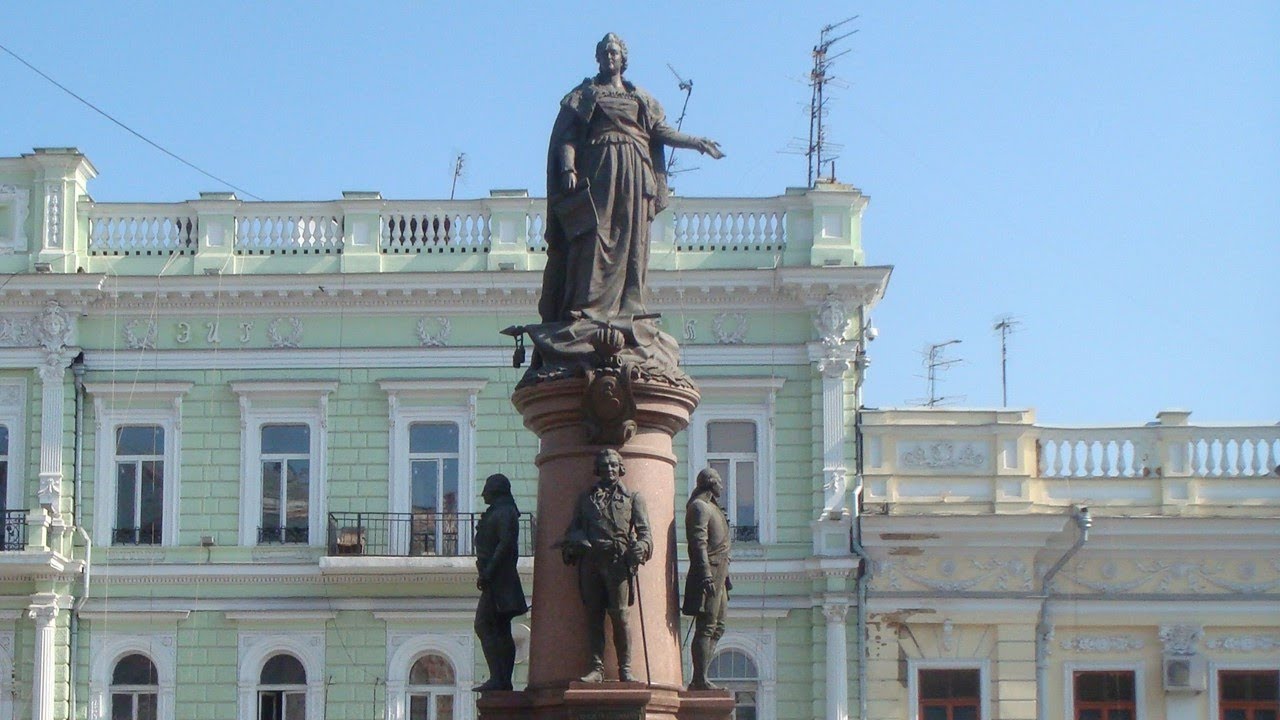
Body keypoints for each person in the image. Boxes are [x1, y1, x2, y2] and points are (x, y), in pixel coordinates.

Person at [539, 32, 724, 326]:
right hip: (599, 169)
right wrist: (568, 170)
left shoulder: (640, 97)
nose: (609, 57)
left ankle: (630, 304)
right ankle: (586, 307)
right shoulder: (585, 94)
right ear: (598, 58)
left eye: (614, 52)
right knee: (595, 234)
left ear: (623, 59)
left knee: (632, 235)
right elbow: (566, 138)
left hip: (635, 172)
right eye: (604, 53)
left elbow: (660, 131)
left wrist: (696, 143)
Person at [560, 449, 653, 682]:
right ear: (598, 469)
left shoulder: (633, 499)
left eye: (613, 465)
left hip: (618, 562)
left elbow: (646, 534)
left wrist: (641, 548)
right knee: (593, 616)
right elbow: (572, 530)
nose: (609, 470)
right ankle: (597, 668)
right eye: (604, 465)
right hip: (591, 562)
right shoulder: (586, 499)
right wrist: (574, 543)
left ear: (620, 469)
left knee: (620, 616)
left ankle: (625, 669)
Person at [472, 473, 529, 692]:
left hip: (500, 578)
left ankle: (500, 678)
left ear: (496, 490)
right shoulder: (500, 511)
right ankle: (501, 679)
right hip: (496, 577)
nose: (483, 493)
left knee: (485, 624)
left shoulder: (505, 512)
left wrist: (489, 572)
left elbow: (505, 544)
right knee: (499, 627)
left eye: (487, 488)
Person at [682, 467, 732, 691]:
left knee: (718, 626)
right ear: (710, 483)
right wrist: (705, 575)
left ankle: (701, 675)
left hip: (721, 573)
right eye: (719, 481)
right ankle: (699, 679)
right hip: (709, 574)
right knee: (706, 626)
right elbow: (698, 543)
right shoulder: (699, 507)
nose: (722, 486)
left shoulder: (714, 508)